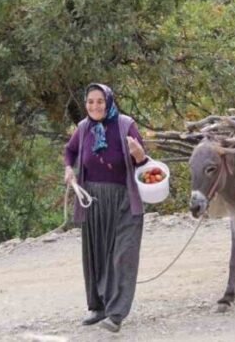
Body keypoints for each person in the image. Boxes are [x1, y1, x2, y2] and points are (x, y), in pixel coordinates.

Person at [63, 83, 149, 332]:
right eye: (90, 101)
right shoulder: (83, 128)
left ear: (109, 101)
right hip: (93, 200)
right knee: (96, 255)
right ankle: (98, 307)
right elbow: (70, 151)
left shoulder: (125, 125)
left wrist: (139, 154)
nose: (95, 106)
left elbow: (144, 162)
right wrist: (70, 169)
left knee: (123, 254)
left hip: (123, 199)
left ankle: (116, 314)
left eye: (100, 101)